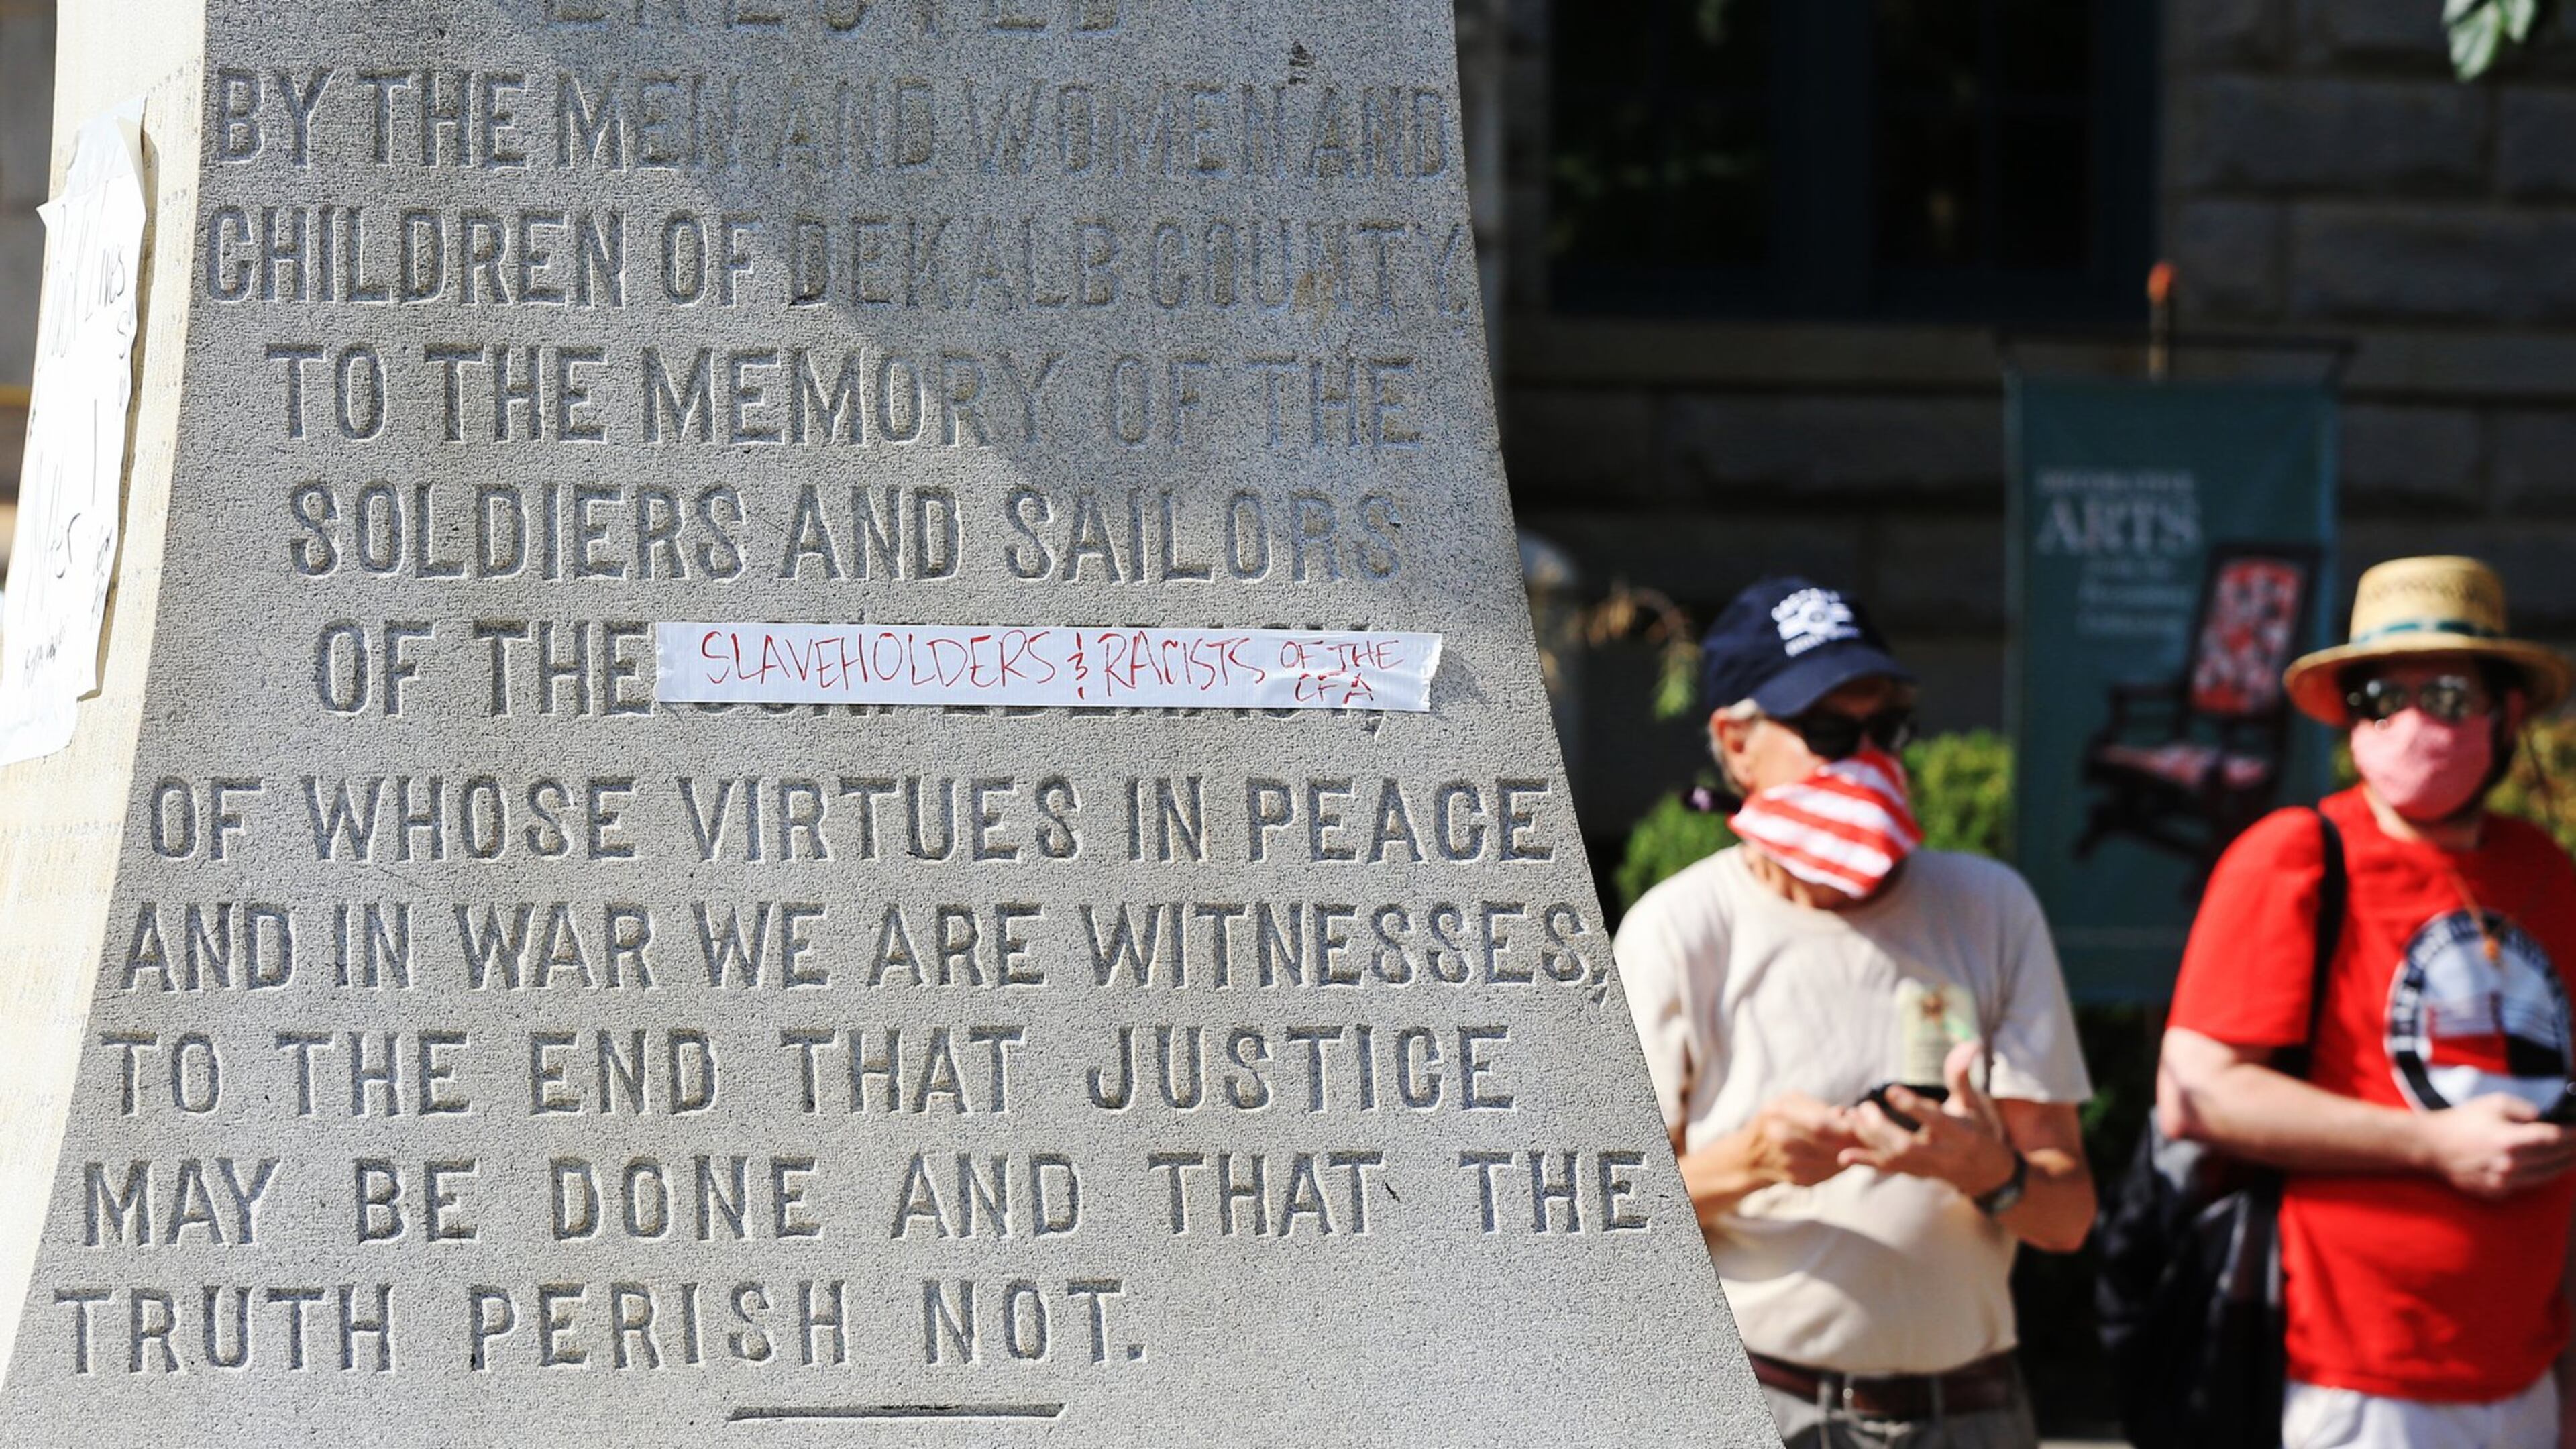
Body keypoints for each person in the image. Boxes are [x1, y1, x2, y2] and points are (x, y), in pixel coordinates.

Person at [1615, 576, 2095, 1449]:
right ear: (1736, 743)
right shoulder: (1681, 930)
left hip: (1974, 1413)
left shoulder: (1988, 906)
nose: (1867, 759)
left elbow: (2067, 1216)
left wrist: (1988, 1170)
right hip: (1767, 1410)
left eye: (1888, 730)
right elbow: (1608, 1216)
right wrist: (1751, 1160)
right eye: (1831, 732)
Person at [2160, 555, 2576, 1449]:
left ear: (2507, 713)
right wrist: (2432, 1143)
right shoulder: (2295, 856)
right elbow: (2197, 1090)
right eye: (2381, 696)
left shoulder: (2549, 875)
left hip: (2530, 1376)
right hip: (2352, 1384)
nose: (2413, 722)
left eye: (2450, 697)